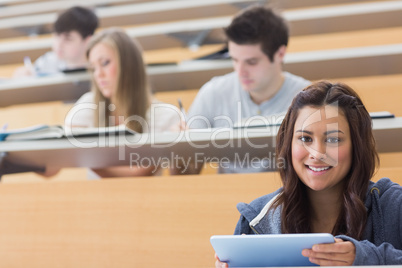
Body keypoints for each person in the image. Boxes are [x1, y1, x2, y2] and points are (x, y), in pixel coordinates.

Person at [215, 81, 402, 267]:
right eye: (305, 138)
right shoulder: (257, 219)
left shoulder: (393, 205)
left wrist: (367, 259)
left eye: (333, 139)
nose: (317, 153)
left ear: (357, 146)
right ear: (288, 144)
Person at [182, 5, 310, 174]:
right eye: (235, 60)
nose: (240, 71)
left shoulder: (308, 99)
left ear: (280, 54)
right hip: (226, 194)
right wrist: (181, 145)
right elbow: (187, 171)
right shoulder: (213, 92)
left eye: (251, 62)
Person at [65, 28, 180, 178]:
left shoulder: (166, 116)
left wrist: (180, 146)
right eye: (94, 68)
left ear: (129, 65)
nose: (98, 74)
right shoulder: (86, 106)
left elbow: (178, 177)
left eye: (105, 63)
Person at [13, 6, 99, 77]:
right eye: (57, 36)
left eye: (68, 39)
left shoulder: (97, 67)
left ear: (88, 41)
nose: (59, 44)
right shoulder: (47, 62)